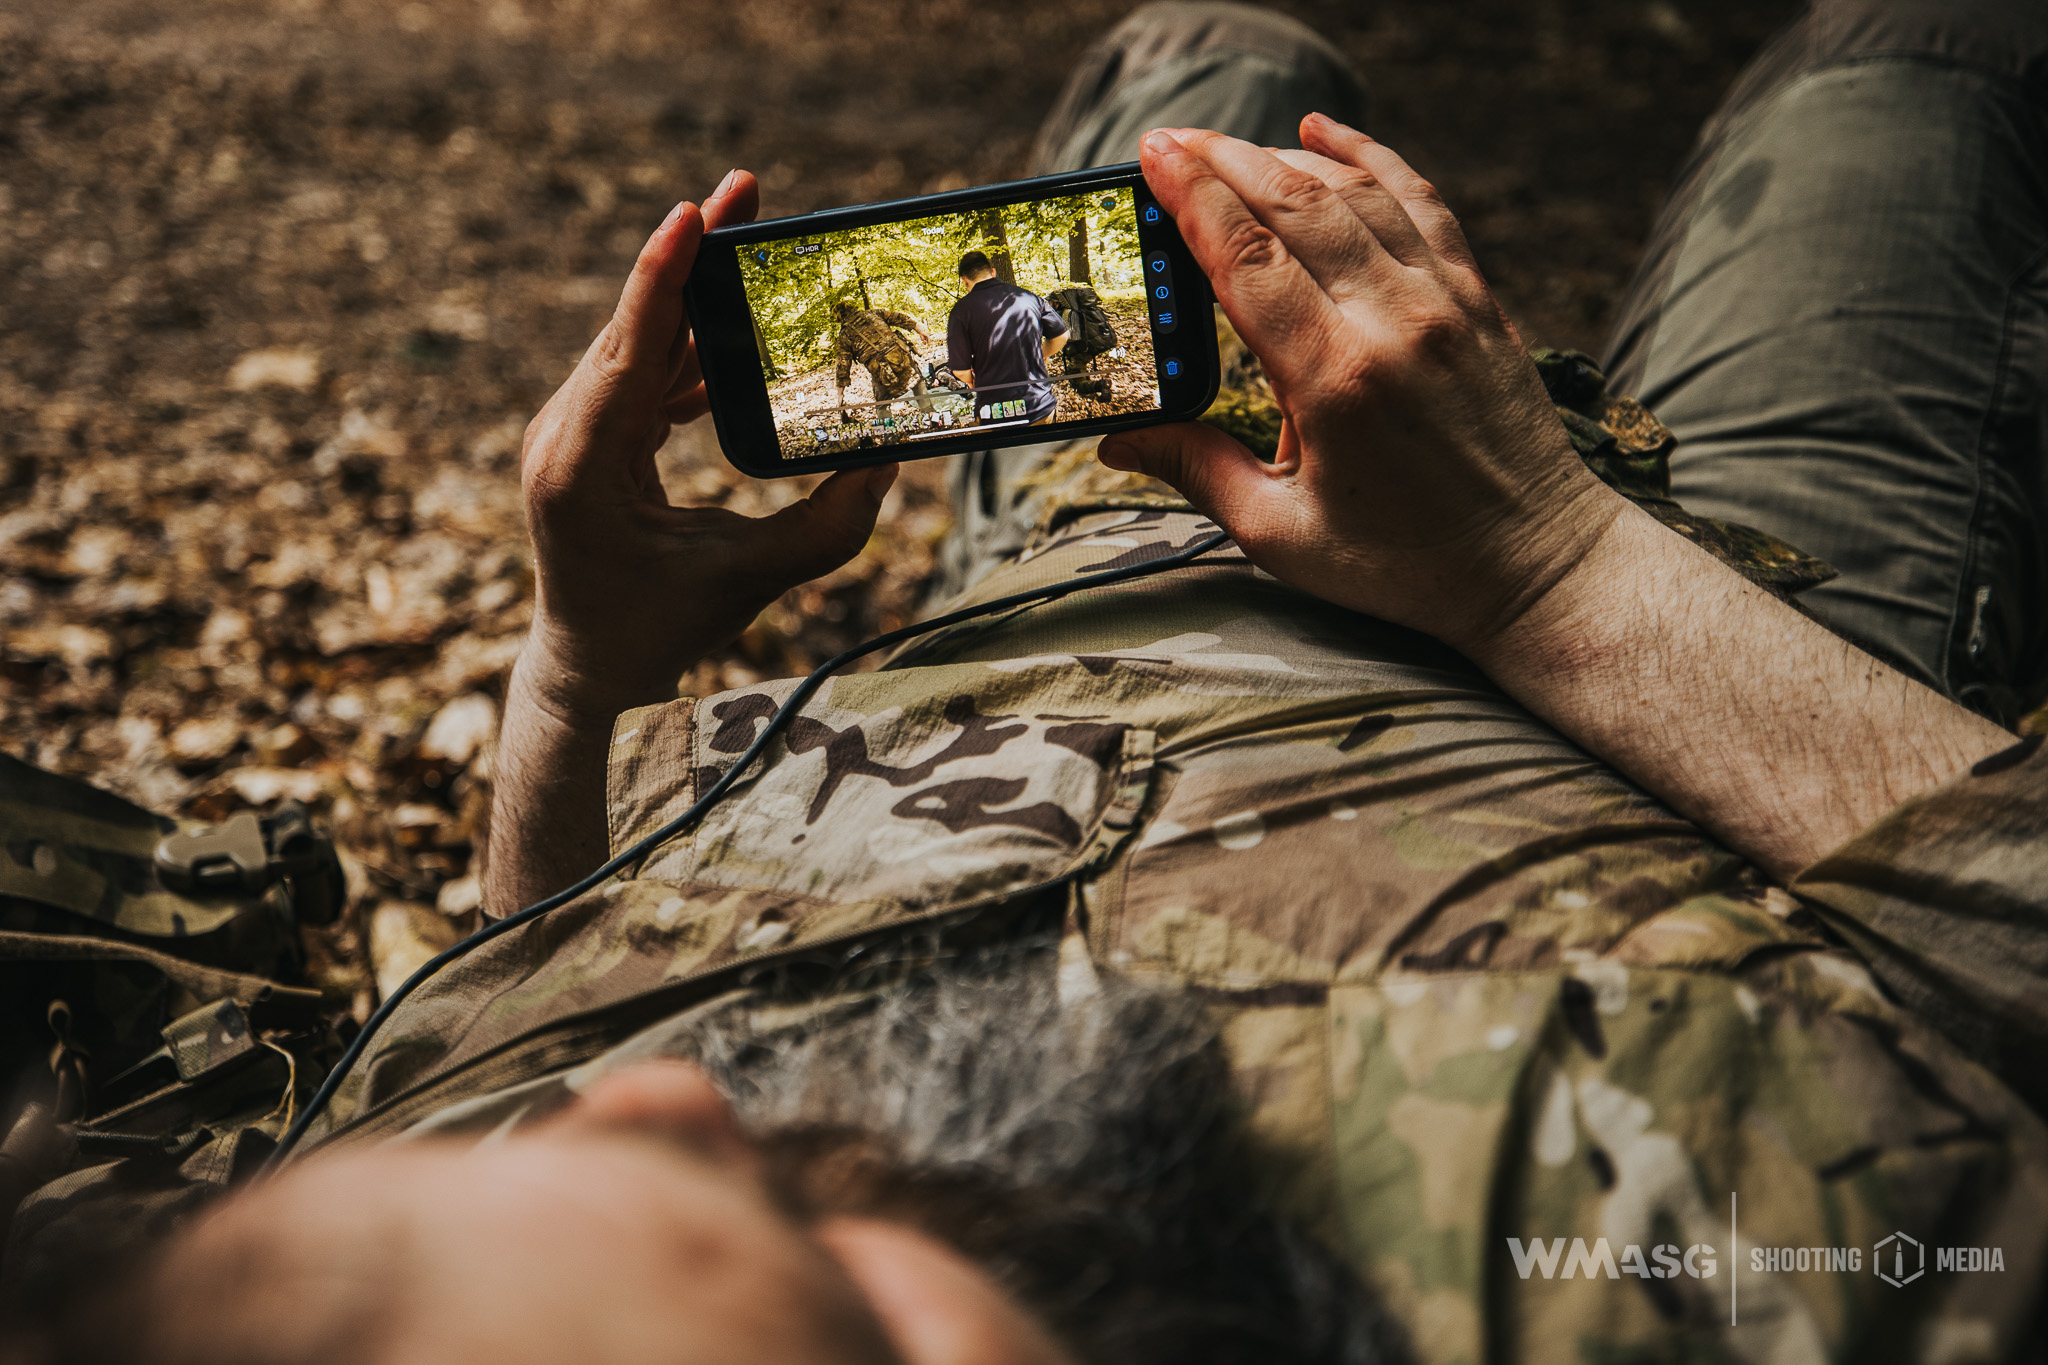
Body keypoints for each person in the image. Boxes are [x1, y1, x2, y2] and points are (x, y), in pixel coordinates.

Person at [8, 3, 2048, 1363]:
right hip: (1720, 655)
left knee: (1198, 49)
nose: (661, 1105)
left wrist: (577, 669)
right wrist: (1550, 557)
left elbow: (531, 995)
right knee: (1897, 68)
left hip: (1098, 554)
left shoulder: (419, 1261)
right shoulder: (1738, 1253)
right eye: (839, 1298)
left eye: (572, 1147)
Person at [945, 251, 1068, 425]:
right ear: (993, 272)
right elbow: (1062, 335)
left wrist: (972, 381)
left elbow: (960, 371)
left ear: (965, 280)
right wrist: (1040, 354)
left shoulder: (960, 311)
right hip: (1039, 407)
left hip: (995, 415)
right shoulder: (1028, 297)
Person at [832, 299, 935, 424]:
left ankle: (890, 433)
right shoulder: (873, 313)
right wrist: (920, 330)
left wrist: (840, 395)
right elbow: (900, 318)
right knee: (918, 383)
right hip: (900, 358)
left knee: (882, 405)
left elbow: (843, 365)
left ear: (839, 317)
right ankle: (931, 417)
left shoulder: (845, 334)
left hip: (880, 371)